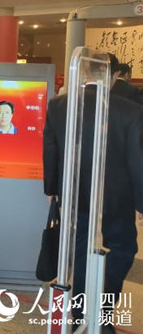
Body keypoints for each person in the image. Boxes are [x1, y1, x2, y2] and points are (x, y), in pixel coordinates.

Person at [43, 53, 143, 327]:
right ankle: (101, 311)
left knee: (80, 249)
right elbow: (137, 160)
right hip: (116, 198)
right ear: (113, 75)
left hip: (74, 192)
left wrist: (52, 189)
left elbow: (50, 149)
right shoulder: (130, 111)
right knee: (123, 248)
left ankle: (79, 313)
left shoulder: (58, 105)